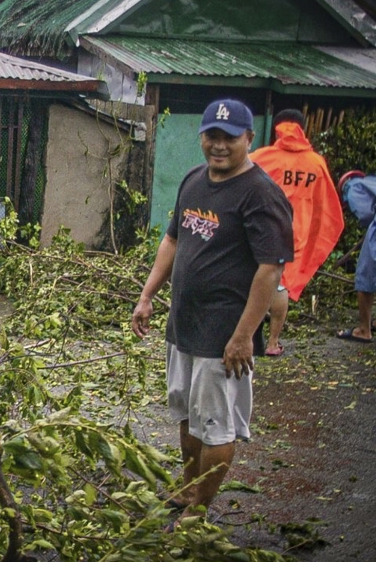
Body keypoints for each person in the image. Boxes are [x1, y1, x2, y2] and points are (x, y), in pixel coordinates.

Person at [131, 99, 294, 522]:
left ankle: (199, 508)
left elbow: (269, 268)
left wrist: (243, 336)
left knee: (216, 424)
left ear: (249, 138)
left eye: (229, 137)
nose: (219, 146)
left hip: (223, 332)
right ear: (202, 136)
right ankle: (187, 489)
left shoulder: (261, 194)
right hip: (183, 322)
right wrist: (148, 295)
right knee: (185, 413)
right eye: (212, 136)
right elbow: (172, 241)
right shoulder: (193, 179)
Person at [249, 109, 344, 356]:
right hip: (293, 236)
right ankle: (272, 344)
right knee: (281, 286)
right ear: (303, 129)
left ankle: (247, 336)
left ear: (276, 128)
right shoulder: (316, 163)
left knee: (251, 281)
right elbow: (327, 208)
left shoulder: (262, 157)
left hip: (260, 231)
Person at [336, 170, 376, 343]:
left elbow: (365, 213)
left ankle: (364, 330)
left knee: (366, 275)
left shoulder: (352, 187)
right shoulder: (371, 181)